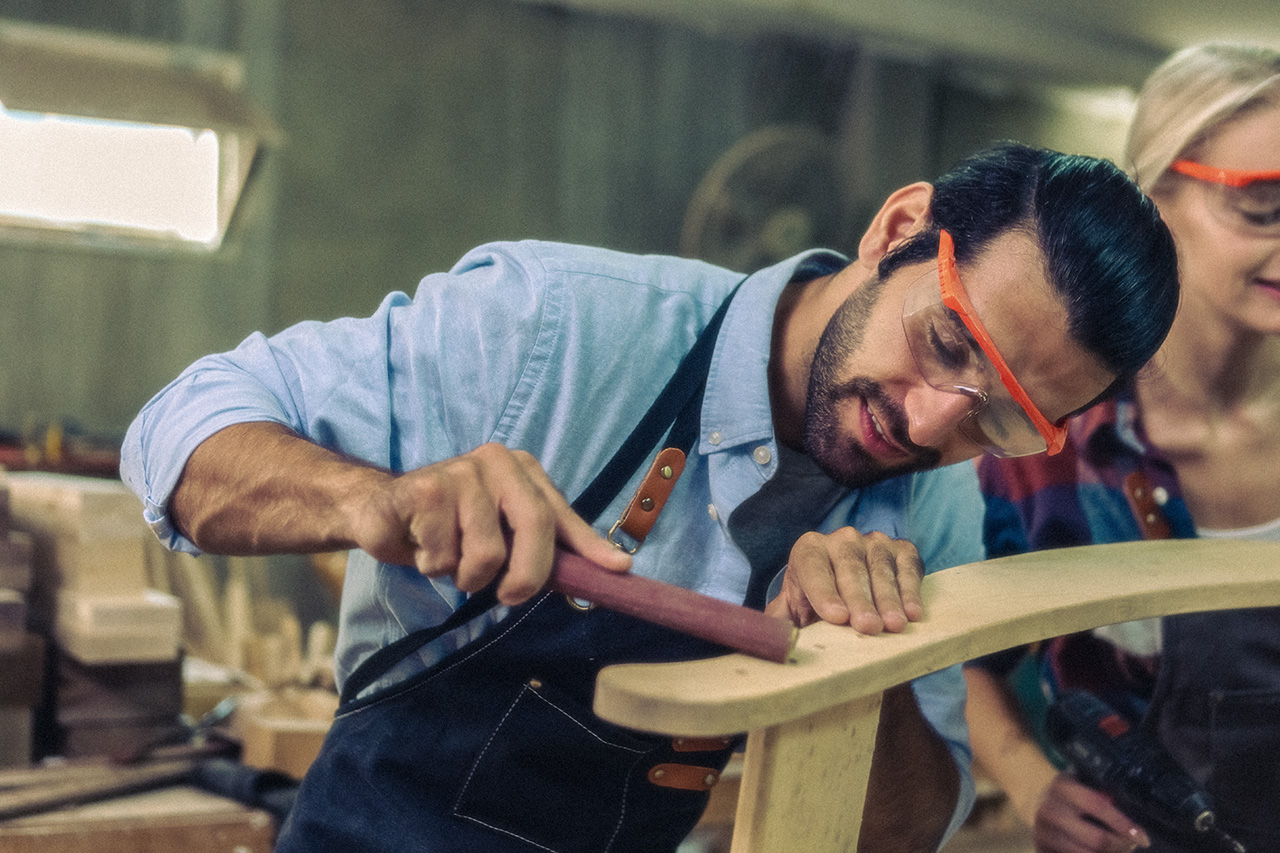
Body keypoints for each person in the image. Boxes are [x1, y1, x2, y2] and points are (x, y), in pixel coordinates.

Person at [121, 141, 1177, 853]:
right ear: (896, 227)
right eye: (943, 342)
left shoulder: (933, 509)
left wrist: (863, 670)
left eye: (998, 419)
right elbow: (176, 429)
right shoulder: (561, 327)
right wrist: (371, 498)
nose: (927, 421)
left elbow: (905, 832)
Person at [967, 44, 1280, 853]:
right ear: (1154, 195)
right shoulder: (1049, 441)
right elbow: (962, 656)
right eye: (1265, 203)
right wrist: (1034, 786)